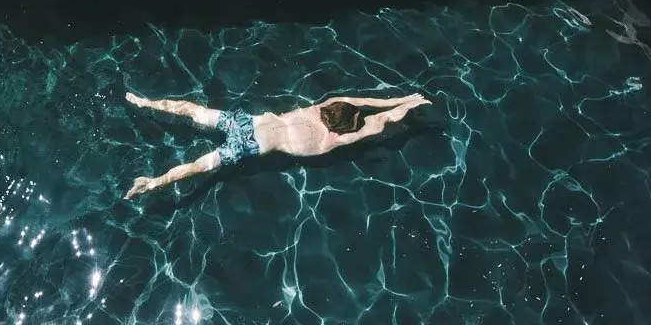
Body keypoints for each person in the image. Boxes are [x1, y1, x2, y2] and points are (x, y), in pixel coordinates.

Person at [124, 91, 431, 199]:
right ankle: (152, 183)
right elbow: (382, 120)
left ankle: (145, 102)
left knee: (192, 110)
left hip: (245, 122)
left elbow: (359, 100)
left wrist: (399, 97)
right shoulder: (332, 139)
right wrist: (406, 105)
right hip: (248, 147)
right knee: (198, 166)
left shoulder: (320, 107)